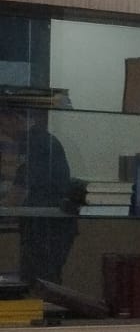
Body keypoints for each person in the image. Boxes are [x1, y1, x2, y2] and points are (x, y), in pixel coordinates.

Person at [0, 106, 77, 283]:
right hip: (43, 225)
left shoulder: (36, 142)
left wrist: (4, 209)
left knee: (40, 283)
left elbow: (19, 192)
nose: (2, 130)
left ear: (14, 118)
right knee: (38, 280)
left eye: (2, 124)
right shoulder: (34, 140)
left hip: (48, 227)